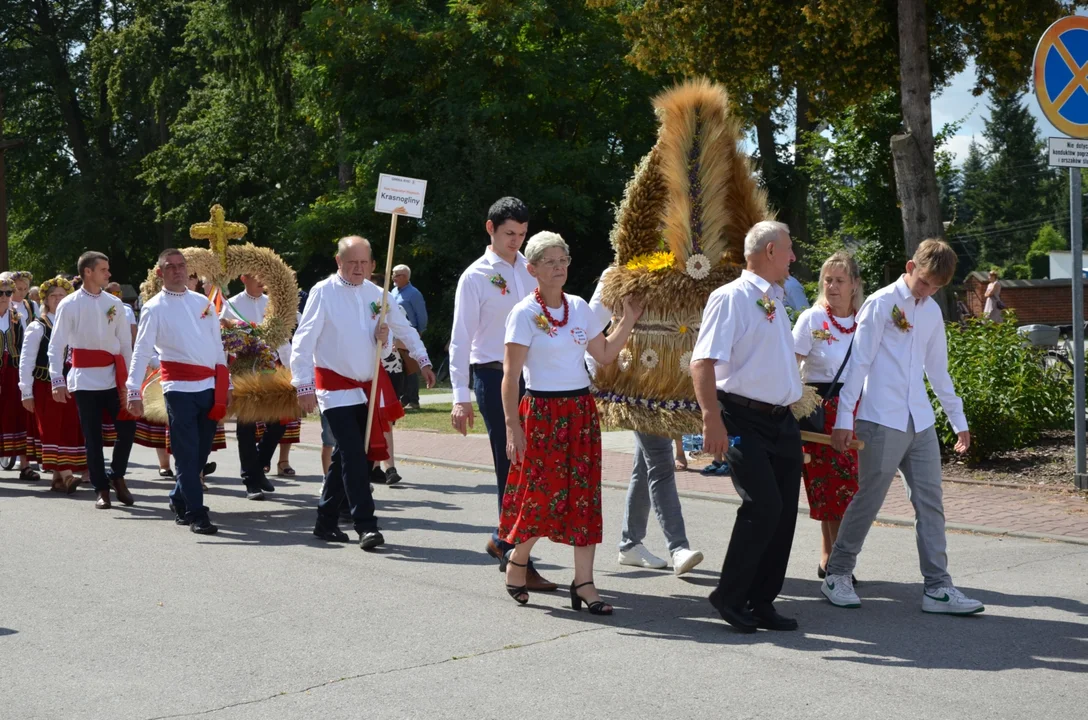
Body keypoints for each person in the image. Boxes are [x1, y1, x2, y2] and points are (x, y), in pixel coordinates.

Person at [823, 239, 984, 615]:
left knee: (931, 503)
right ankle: (837, 573)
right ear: (910, 267)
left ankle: (938, 587)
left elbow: (938, 370)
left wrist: (957, 420)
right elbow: (858, 364)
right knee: (869, 499)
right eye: (924, 282)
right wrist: (844, 420)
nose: (927, 291)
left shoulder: (931, 311)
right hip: (880, 417)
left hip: (920, 420)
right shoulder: (880, 303)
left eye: (936, 287)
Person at [500, 232, 642, 613]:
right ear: (532, 269)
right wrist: (512, 426)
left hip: (579, 413)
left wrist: (628, 320)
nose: (559, 267)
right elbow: (510, 377)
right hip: (541, 414)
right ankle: (517, 560)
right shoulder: (523, 314)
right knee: (540, 497)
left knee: (584, 497)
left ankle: (584, 583)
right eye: (550, 261)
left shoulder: (578, 307)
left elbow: (605, 353)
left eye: (563, 260)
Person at [691, 220, 804, 633]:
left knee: (784, 512)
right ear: (770, 251)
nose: (793, 257)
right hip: (741, 417)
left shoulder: (775, 297)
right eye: (788, 249)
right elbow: (702, 362)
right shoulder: (731, 297)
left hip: (781, 420)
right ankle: (730, 596)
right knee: (763, 505)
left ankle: (762, 601)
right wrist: (711, 418)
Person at [292, 236, 434, 550]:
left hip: (368, 387)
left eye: (363, 262)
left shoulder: (377, 294)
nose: (358, 268)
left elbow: (404, 327)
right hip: (335, 388)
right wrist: (303, 384)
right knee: (355, 455)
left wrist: (422, 359)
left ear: (372, 264)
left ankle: (325, 521)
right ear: (338, 262)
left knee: (346, 455)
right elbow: (303, 339)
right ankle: (366, 525)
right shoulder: (323, 292)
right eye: (351, 262)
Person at [449, 197, 557, 592]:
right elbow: (460, 338)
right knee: (512, 464)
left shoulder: (531, 270)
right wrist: (459, 395)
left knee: (535, 466)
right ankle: (515, 557)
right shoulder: (475, 276)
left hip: (533, 379)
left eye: (522, 234)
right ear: (490, 229)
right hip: (493, 377)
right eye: (510, 233)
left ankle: (502, 540)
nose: (516, 241)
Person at [587, 267, 704, 576]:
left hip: (670, 392)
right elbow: (587, 326)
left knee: (646, 467)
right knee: (661, 464)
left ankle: (630, 544)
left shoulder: (684, 272)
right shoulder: (618, 274)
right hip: (638, 392)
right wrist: (598, 378)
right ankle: (678, 547)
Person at [127, 249, 230, 535]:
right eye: (170, 267)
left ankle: (177, 497)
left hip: (209, 386)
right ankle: (197, 513)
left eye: (181, 265)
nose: (177, 270)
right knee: (186, 453)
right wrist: (133, 389)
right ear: (160, 273)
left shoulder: (202, 303)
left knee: (201, 452)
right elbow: (142, 351)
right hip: (178, 388)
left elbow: (217, 346)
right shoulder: (154, 307)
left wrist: (227, 384)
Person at [793, 251, 863, 579]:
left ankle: (833, 557)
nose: (832, 286)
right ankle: (836, 561)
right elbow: (790, 365)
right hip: (821, 414)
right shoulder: (812, 319)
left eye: (839, 280)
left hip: (859, 411)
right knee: (831, 488)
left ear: (855, 285)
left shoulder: (866, 321)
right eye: (827, 280)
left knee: (851, 488)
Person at [48, 251, 136, 510]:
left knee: (127, 428)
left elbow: (125, 343)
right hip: (84, 380)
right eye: (103, 269)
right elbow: (57, 344)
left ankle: (117, 475)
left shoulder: (114, 303)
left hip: (113, 377)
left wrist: (131, 381)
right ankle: (101, 489)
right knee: (93, 437)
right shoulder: (70, 304)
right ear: (88, 272)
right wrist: (57, 379)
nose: (109, 274)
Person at [221, 274, 293, 500]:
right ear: (244, 278)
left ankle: (260, 465)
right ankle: (251, 480)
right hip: (244, 371)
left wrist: (292, 370)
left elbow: (283, 339)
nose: (262, 280)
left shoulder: (272, 304)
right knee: (246, 427)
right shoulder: (231, 305)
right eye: (256, 276)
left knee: (279, 421)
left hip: (271, 369)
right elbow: (223, 340)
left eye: (264, 276)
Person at [19, 276, 85, 493]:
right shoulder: (37, 326)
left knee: (66, 428)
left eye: (61, 296)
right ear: (45, 300)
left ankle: (58, 479)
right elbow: (26, 361)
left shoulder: (72, 325)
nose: (57, 299)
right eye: (53, 296)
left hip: (70, 385)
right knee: (50, 428)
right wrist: (26, 392)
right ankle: (67, 475)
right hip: (44, 386)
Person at [0, 276, 39, 481]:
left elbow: (25, 344)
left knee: (19, 416)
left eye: (8, 293)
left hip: (13, 370)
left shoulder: (17, 316)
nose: (4, 297)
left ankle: (25, 466)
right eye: (0, 293)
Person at [390, 263, 427, 410]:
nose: (394, 277)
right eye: (393, 274)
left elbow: (421, 315)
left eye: (397, 275)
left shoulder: (414, 293)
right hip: (394, 335)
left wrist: (419, 332)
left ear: (406, 277)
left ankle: (413, 400)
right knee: (399, 366)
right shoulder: (393, 292)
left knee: (410, 367)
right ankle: (403, 398)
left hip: (409, 334)